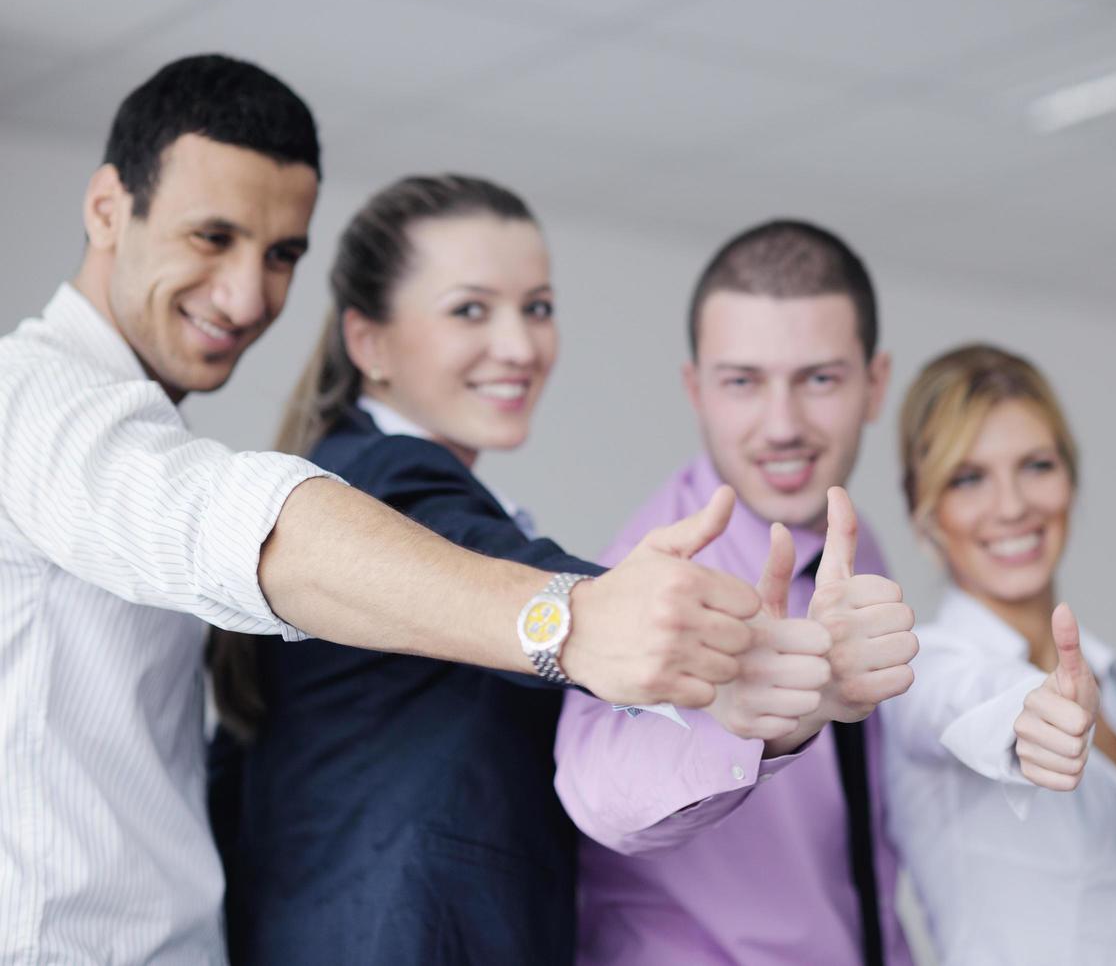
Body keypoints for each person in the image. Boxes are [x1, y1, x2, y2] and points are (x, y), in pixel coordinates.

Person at [0, 55, 773, 963]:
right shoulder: (29, 399)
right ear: (106, 209)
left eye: (281, 254)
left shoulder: (132, 433)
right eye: (212, 237)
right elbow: (245, 524)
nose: (251, 297)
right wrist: (567, 619)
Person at [208, 174, 838, 965]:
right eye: (471, 309)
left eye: (536, 307)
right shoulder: (382, 482)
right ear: (368, 342)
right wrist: (707, 629)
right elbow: (519, 578)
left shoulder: (365, 471)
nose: (520, 345)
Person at [556, 219, 918, 965]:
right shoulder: (655, 568)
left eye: (819, 379)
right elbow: (598, 797)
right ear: (696, 389)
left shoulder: (853, 544)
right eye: (742, 382)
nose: (782, 426)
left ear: (874, 384)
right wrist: (751, 724)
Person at [882, 343, 1116, 965]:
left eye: (1036, 465)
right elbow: (966, 700)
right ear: (925, 509)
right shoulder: (918, 670)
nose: (1011, 506)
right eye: (968, 478)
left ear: (1071, 478)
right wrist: (1024, 709)